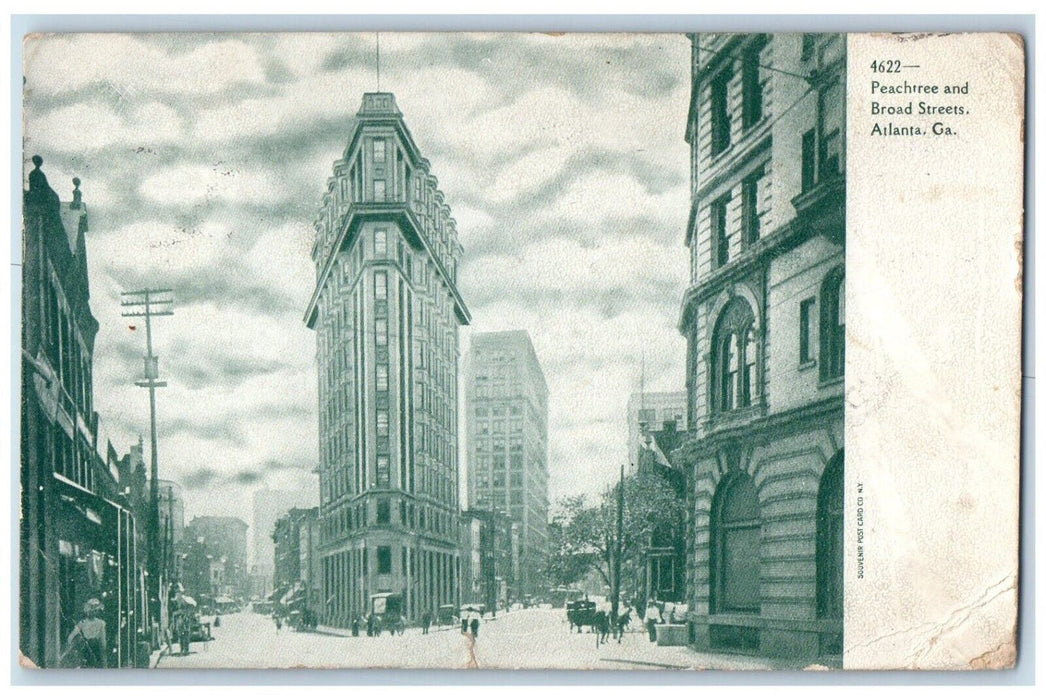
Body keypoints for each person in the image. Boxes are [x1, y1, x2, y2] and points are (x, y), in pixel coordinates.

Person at [64, 598, 107, 668]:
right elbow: (71, 636)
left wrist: (104, 658)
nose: (93, 612)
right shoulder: (82, 623)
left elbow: (103, 641)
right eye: (91, 609)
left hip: (96, 650)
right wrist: (71, 643)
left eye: (95, 610)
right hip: (86, 650)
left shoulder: (101, 623)